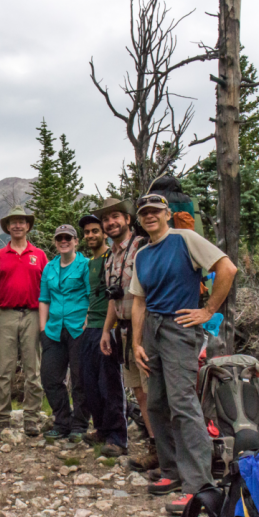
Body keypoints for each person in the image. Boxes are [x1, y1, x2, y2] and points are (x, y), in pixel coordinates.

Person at [130, 193, 238, 514]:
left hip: (180, 326)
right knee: (158, 401)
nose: (150, 216)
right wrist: (136, 342)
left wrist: (208, 310)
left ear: (166, 214)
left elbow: (226, 268)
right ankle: (171, 471)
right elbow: (138, 299)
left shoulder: (185, 239)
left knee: (183, 403)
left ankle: (199, 485)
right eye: (144, 212)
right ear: (140, 219)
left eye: (155, 211)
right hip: (153, 328)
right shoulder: (143, 254)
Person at [94, 197, 158, 470]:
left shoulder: (142, 248)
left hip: (144, 328)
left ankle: (167, 449)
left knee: (152, 389)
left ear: (128, 219)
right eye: (106, 219)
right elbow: (113, 297)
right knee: (138, 392)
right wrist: (106, 330)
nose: (110, 222)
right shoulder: (111, 257)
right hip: (122, 328)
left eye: (115, 217)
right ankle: (155, 446)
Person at [0, 206, 48, 436]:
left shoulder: (40, 255)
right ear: (8, 227)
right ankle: (2, 418)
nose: (17, 225)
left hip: (33, 314)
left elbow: (47, 288)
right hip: (5, 314)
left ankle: (31, 418)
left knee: (33, 369)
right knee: (3, 369)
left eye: (21, 222)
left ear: (28, 226)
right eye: (13, 222)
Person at [77, 215, 127, 457]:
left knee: (109, 384)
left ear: (104, 233)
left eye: (95, 231)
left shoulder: (110, 259)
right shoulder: (89, 263)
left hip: (108, 327)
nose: (90, 235)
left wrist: (108, 328)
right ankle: (101, 428)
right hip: (90, 326)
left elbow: (113, 296)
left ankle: (117, 437)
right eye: (86, 232)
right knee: (90, 383)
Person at [38, 224, 91, 442]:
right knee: (49, 377)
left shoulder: (85, 265)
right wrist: (42, 329)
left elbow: (91, 296)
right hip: (53, 330)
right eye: (60, 238)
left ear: (76, 241)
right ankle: (62, 421)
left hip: (78, 328)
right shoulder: (49, 268)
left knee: (80, 379)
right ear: (55, 241)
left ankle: (79, 424)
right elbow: (44, 299)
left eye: (68, 238)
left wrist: (88, 323)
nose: (63, 241)